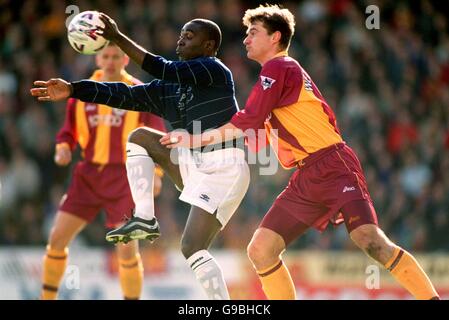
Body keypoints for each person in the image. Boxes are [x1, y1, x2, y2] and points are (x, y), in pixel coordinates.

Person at [161, 4, 440, 300]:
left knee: (369, 240)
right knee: (261, 250)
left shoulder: (279, 68)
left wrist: (194, 140)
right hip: (308, 172)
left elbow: (249, 120)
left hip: (332, 164)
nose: (246, 39)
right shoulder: (280, 74)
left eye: (253, 32)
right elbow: (279, 124)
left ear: (275, 38)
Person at [30, 14, 249, 300]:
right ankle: (145, 218)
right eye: (182, 33)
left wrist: (118, 37)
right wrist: (73, 89)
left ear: (209, 46)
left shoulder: (214, 70)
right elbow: (122, 94)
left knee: (191, 247)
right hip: (193, 164)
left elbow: (161, 67)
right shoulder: (167, 88)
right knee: (140, 137)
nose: (181, 38)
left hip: (224, 168)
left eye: (190, 35)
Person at [37, 43, 166, 300]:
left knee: (127, 250)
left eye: (116, 56)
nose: (110, 61)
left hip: (125, 178)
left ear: (125, 60)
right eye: (105, 56)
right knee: (57, 238)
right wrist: (63, 147)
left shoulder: (140, 92)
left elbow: (158, 135)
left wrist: (157, 174)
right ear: (97, 58)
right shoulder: (81, 91)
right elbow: (69, 130)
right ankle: (46, 297)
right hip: (88, 176)